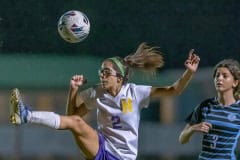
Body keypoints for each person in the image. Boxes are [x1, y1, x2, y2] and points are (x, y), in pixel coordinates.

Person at [10, 42, 200, 160]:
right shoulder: (97, 93)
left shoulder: (135, 92)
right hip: (101, 147)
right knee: (77, 122)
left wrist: (189, 72)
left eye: (106, 72)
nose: (102, 76)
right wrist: (73, 91)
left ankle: (25, 115)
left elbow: (174, 90)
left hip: (122, 157)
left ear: (120, 78)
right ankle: (25, 115)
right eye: (101, 72)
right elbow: (71, 117)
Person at [179, 59, 240, 160]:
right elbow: (182, 139)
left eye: (225, 76)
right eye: (217, 75)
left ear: (235, 82)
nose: (219, 79)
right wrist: (193, 129)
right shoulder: (205, 105)